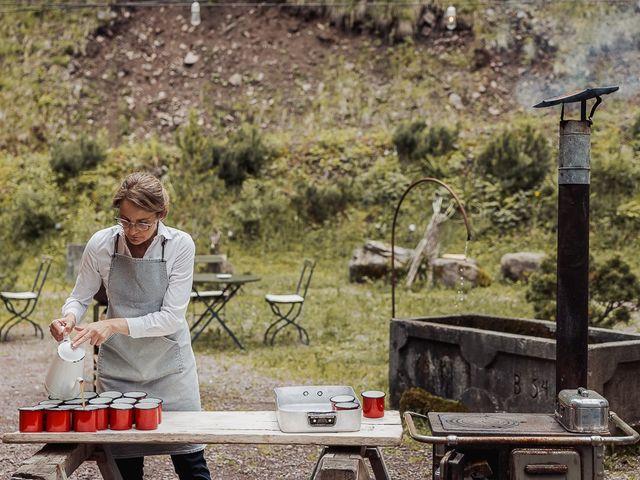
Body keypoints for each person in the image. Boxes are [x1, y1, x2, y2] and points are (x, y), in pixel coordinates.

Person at [49, 171, 211, 480]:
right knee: (125, 467)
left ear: (160, 215)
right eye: (125, 220)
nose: (132, 231)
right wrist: (68, 317)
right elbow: (80, 296)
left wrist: (112, 325)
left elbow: (170, 318)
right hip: (120, 369)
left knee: (190, 463)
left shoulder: (179, 245)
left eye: (142, 222)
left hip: (170, 369)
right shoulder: (101, 243)